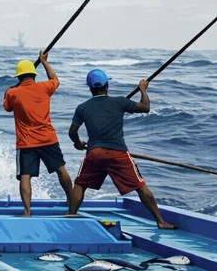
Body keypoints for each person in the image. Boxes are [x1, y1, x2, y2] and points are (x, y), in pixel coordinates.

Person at [67, 70, 176, 229]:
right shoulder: (120, 102)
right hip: (117, 152)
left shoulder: (82, 107)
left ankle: (70, 216)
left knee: (80, 184)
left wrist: (77, 143)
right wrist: (143, 89)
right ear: (107, 86)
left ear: (90, 88)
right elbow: (145, 107)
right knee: (140, 186)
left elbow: (72, 132)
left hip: (94, 153)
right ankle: (161, 221)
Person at [3, 51, 73, 216]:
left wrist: (11, 90)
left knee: (25, 176)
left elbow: (7, 107)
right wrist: (44, 62)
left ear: (19, 77)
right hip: (48, 139)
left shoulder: (13, 93)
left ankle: (27, 211)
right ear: (34, 75)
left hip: (26, 143)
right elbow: (55, 80)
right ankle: (71, 200)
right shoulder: (44, 88)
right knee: (61, 170)